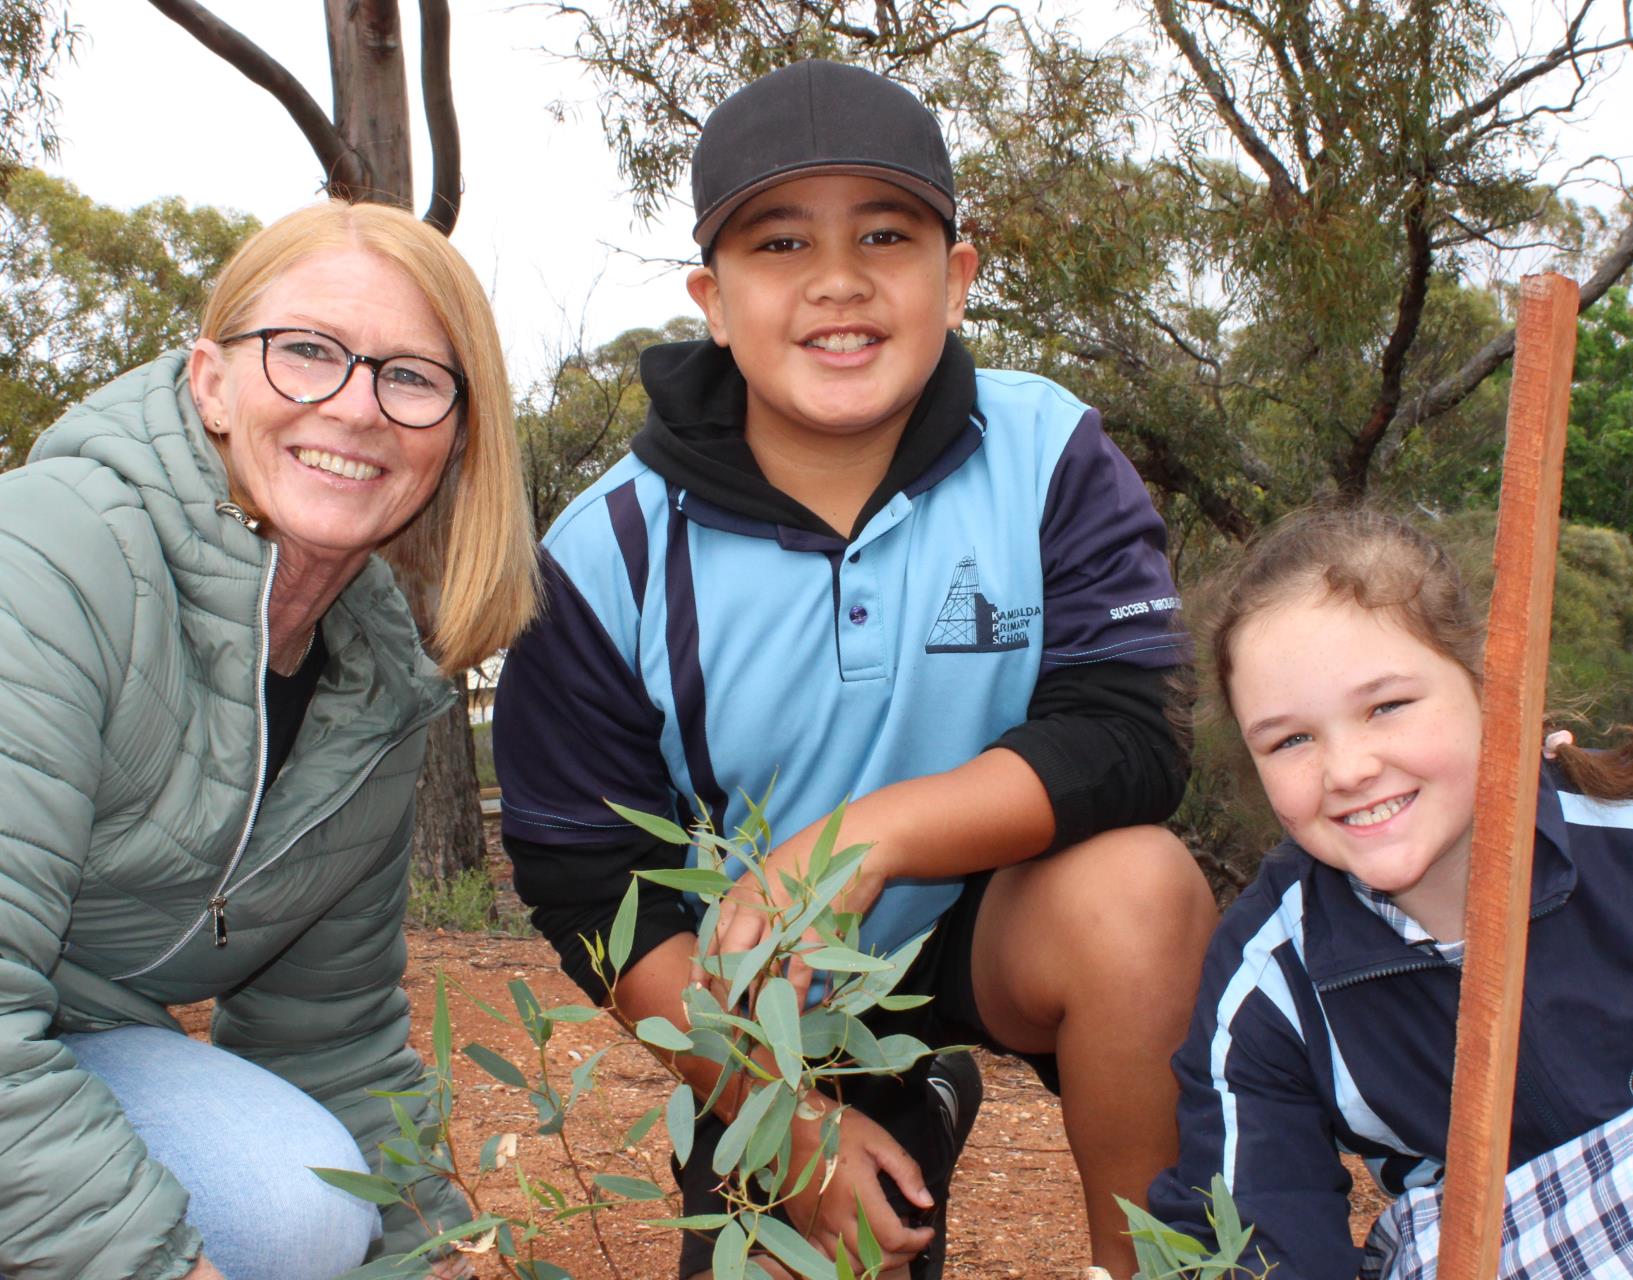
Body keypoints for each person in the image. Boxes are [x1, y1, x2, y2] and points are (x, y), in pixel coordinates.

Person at [493, 59, 1217, 1280]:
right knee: (808, 1258)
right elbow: (587, 883)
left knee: (1138, 889)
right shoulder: (605, 551)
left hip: (990, 921)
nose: (839, 279)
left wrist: (866, 839)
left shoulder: (1045, 447)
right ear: (711, 299)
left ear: (958, 275)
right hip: (759, 982)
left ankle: (1148, 1265)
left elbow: (1131, 728)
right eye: (779, 243)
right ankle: (896, 1105)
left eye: (886, 232)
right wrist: (799, 1137)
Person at [0, 200, 539, 1280]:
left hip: (73, 1033)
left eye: (411, 376)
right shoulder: (52, 560)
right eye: (304, 351)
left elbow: (327, 1032)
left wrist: (431, 1257)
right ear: (210, 381)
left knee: (296, 1205)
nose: (355, 406)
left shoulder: (378, 683)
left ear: (457, 431)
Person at [1146, 507, 1633, 1278]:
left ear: (1490, 683)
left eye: (1385, 706)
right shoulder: (1272, 977)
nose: (1346, 770)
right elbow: (1249, 1236)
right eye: (1291, 740)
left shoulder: (1618, 834)